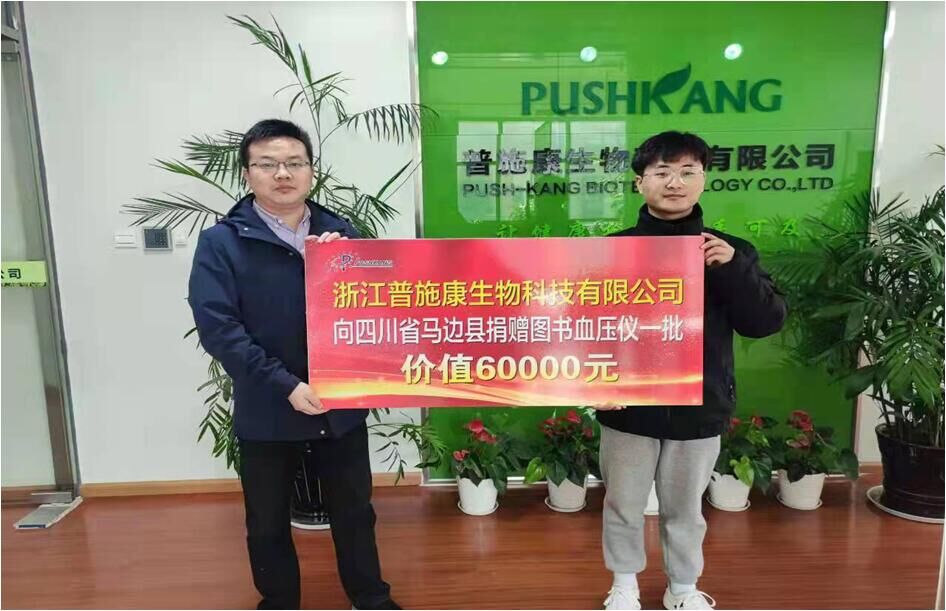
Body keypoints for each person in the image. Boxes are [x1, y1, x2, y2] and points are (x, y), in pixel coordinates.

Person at [188, 119, 398, 610]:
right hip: (268, 406)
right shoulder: (221, 243)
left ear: (311, 171)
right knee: (266, 521)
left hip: (340, 405)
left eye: (294, 163)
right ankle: (278, 602)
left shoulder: (342, 234)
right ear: (247, 174)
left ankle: (371, 598)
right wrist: (285, 385)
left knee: (355, 512)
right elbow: (219, 328)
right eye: (267, 164)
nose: (282, 174)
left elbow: (379, 311)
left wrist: (348, 268)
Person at [595, 131, 787, 610]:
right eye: (661, 172)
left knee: (685, 508)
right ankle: (624, 585)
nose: (674, 183)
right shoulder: (611, 250)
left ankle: (681, 588)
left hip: (700, 402)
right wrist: (592, 383)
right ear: (639, 183)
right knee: (623, 502)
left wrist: (733, 269)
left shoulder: (730, 251)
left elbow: (764, 322)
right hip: (626, 406)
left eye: (687, 172)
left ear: (703, 180)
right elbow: (585, 327)